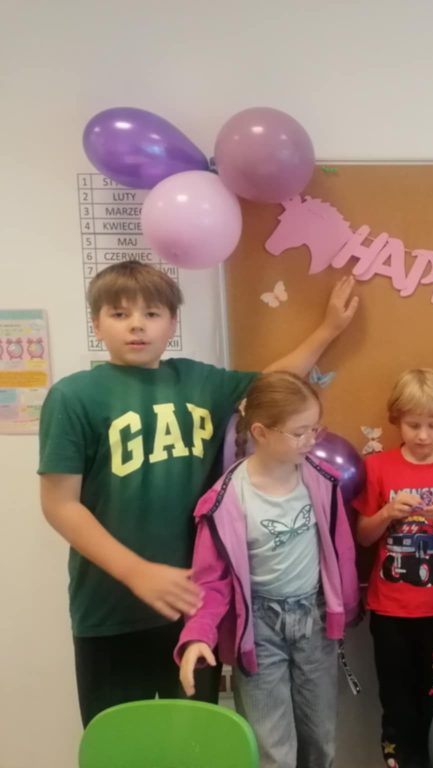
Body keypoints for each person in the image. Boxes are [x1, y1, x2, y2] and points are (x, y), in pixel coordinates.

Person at [38, 260, 358, 724]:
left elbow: (273, 387)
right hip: (111, 611)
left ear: (172, 322)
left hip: (196, 608)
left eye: (151, 313)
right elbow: (59, 504)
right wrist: (136, 572)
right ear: (97, 323)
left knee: (195, 741)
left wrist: (328, 329)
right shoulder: (74, 396)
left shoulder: (198, 381)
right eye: (119, 313)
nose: (136, 325)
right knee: (121, 744)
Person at [176, 371, 360, 768]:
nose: (311, 440)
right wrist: (198, 635)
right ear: (260, 432)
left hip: (313, 623)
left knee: (320, 742)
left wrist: (344, 609)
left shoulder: (322, 483)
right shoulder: (224, 501)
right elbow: (210, 581)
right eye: (299, 432)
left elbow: (341, 553)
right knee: (273, 752)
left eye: (315, 429)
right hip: (258, 631)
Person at [356, 368, 433, 768]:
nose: (424, 435)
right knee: (396, 702)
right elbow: (363, 537)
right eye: (414, 425)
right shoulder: (378, 466)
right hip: (390, 610)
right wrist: (386, 514)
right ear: (397, 420)